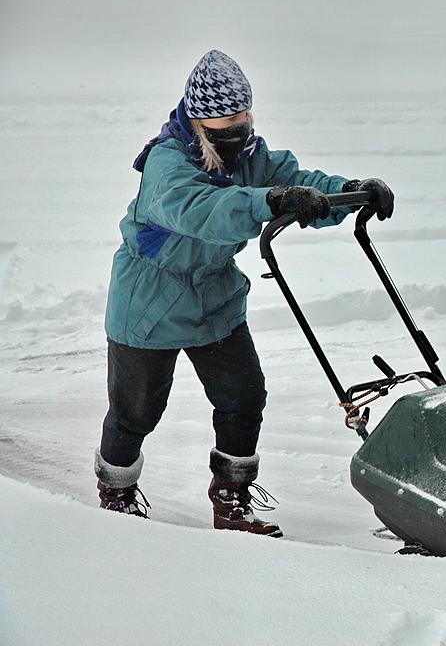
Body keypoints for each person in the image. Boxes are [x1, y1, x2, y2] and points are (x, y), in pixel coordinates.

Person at [94, 50, 394, 538]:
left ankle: (231, 500)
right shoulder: (167, 164)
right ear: (198, 116)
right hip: (149, 302)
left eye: (243, 115)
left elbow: (297, 181)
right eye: (226, 117)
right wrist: (268, 201)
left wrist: (350, 190)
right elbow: (201, 209)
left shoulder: (250, 156)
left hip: (214, 297)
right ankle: (116, 491)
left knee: (243, 396)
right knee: (137, 412)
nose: (237, 125)